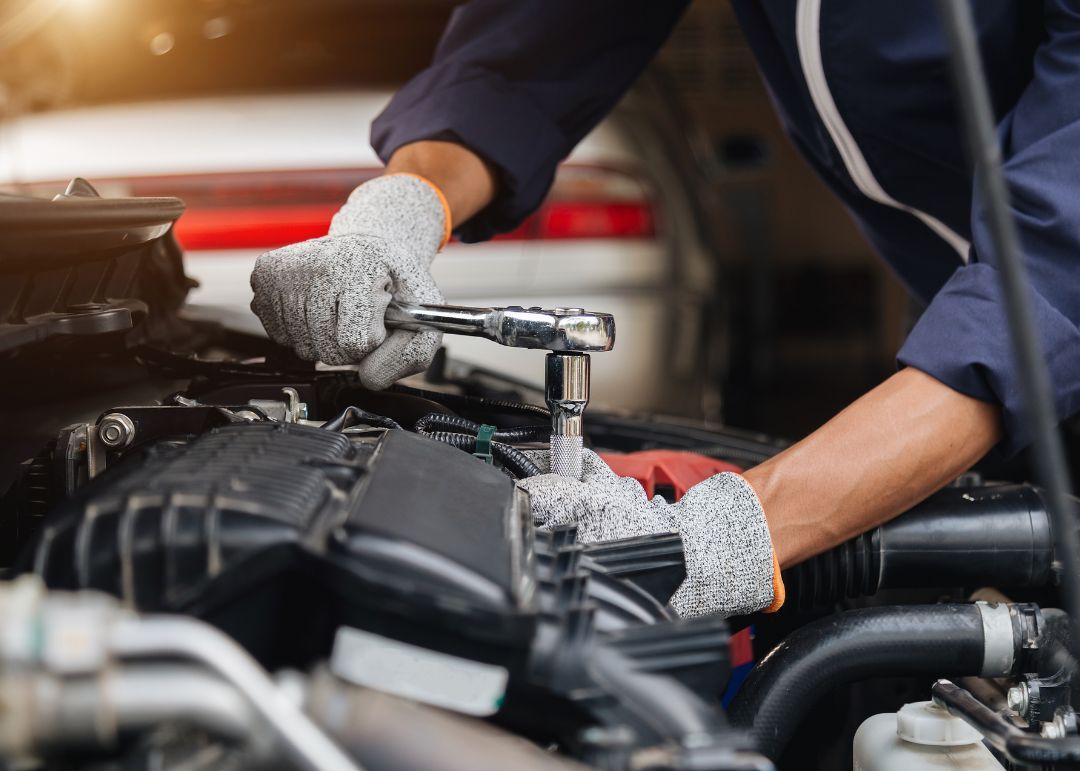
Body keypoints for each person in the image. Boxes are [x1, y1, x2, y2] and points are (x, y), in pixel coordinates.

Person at [250, 1, 1080, 618]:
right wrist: (399, 211)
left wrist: (728, 535)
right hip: (976, 341)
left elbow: (1048, 288)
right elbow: (525, 56)